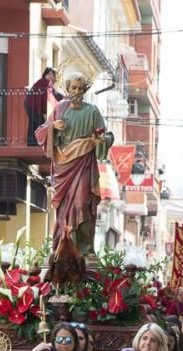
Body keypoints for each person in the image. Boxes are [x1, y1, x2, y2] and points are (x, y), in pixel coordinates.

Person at [35, 70, 113, 257]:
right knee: (63, 207)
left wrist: (100, 139)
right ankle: (63, 245)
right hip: (63, 165)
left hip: (84, 162)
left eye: (80, 88)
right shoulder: (60, 108)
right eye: (73, 88)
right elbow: (40, 132)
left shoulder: (92, 111)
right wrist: (53, 126)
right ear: (68, 89)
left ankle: (84, 249)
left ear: (85, 90)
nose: (76, 91)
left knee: (81, 202)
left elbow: (107, 135)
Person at [26, 67, 63, 145]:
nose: (51, 76)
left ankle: (31, 143)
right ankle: (40, 143)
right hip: (32, 106)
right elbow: (55, 94)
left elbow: (54, 94)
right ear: (45, 75)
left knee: (33, 124)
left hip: (30, 105)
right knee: (41, 123)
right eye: (49, 74)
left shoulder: (46, 83)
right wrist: (64, 98)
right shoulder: (45, 82)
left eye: (53, 75)